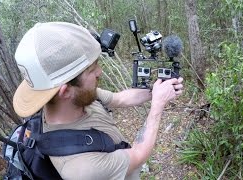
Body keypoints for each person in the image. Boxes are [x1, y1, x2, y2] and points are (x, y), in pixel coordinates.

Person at [13, 22, 183, 180]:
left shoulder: (78, 98)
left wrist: (156, 91)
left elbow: (119, 99)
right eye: (92, 70)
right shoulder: (81, 167)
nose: (99, 72)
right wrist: (158, 106)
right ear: (65, 91)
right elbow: (138, 155)